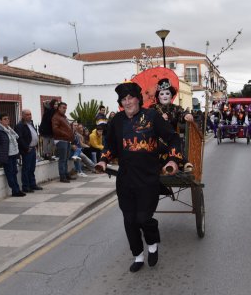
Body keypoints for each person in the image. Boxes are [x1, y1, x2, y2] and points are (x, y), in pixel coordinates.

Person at [96, 82, 182, 273]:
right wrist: (103, 160)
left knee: (143, 218)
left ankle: (152, 244)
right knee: (129, 220)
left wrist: (173, 160)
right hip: (125, 179)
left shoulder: (152, 116)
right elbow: (110, 146)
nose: (127, 102)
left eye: (130, 98)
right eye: (123, 99)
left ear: (138, 99)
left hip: (148, 177)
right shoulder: (116, 121)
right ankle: (138, 256)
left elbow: (173, 138)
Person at [0, 113, 26, 197]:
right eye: (5, 119)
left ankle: (16, 190)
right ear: (0, 120)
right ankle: (15, 190)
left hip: (13, 154)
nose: (7, 120)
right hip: (6, 156)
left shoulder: (10, 130)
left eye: (8, 119)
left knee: (14, 172)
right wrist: (0, 150)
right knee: (10, 173)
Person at [15, 109, 43, 193]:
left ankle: (33, 184)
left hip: (33, 148)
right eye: (27, 115)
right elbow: (20, 138)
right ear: (22, 116)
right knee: (26, 168)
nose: (29, 116)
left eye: (30, 114)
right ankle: (26, 186)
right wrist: (26, 148)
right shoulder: (20, 126)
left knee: (32, 168)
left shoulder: (31, 124)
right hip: (27, 150)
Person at [52, 102, 76, 183]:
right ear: (58, 108)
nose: (65, 109)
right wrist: (65, 134)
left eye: (65, 108)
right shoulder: (56, 117)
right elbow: (55, 129)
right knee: (62, 159)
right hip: (61, 140)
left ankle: (66, 174)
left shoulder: (63, 117)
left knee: (66, 159)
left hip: (66, 140)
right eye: (63, 108)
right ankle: (62, 176)